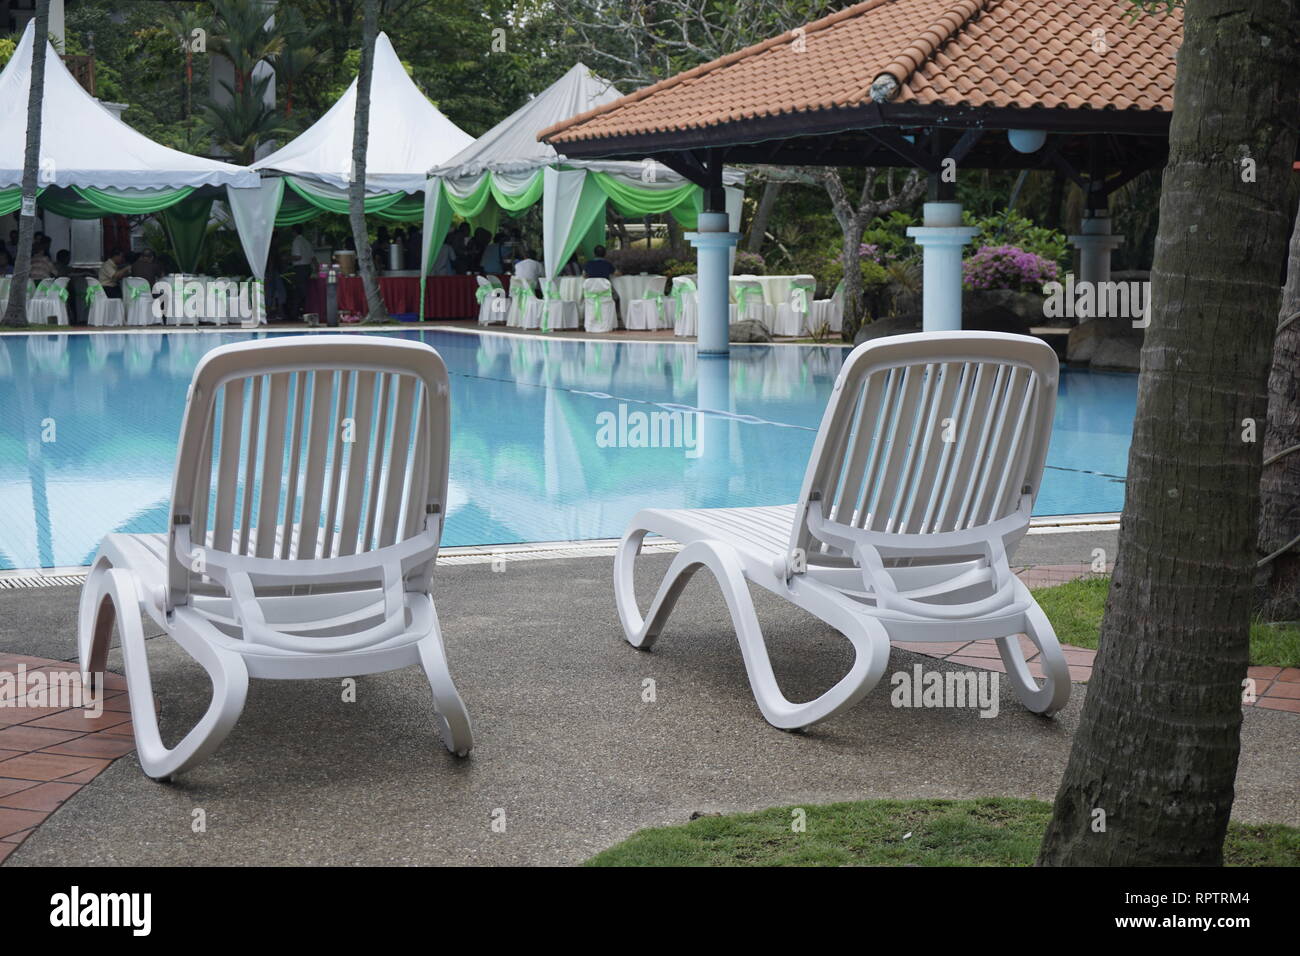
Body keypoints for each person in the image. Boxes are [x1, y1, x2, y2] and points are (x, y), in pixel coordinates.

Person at [289, 224, 316, 319]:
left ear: (294, 232)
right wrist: (316, 267)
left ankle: (298, 312)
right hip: (307, 267)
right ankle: (302, 310)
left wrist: (287, 258)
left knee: (299, 290)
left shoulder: (296, 242)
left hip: (300, 268)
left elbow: (297, 257)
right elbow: (313, 257)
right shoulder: (306, 242)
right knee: (304, 290)